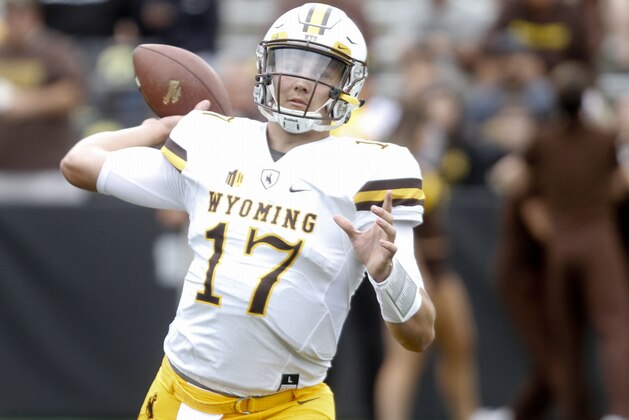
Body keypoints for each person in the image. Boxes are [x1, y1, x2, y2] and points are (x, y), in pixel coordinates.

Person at [60, 3, 436, 419]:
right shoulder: (215, 143)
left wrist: (386, 274)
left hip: (287, 406)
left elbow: (419, 333)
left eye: (323, 69)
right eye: (292, 63)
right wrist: (155, 130)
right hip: (179, 392)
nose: (302, 81)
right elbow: (78, 163)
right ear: (266, 67)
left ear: (348, 84)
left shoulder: (372, 169)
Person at [496, 61, 629, 420]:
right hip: (598, 241)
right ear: (585, 97)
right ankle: (621, 410)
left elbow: (513, 180)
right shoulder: (605, 139)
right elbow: (619, 186)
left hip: (560, 247)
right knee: (615, 326)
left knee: (565, 338)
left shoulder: (542, 141)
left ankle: (575, 412)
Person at [0, 0, 88, 204]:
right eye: (10, 14)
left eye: (20, 15)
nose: (14, 21)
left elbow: (74, 93)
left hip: (47, 172)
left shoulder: (54, 49)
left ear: (35, 17)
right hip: (5, 170)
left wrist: (19, 102)